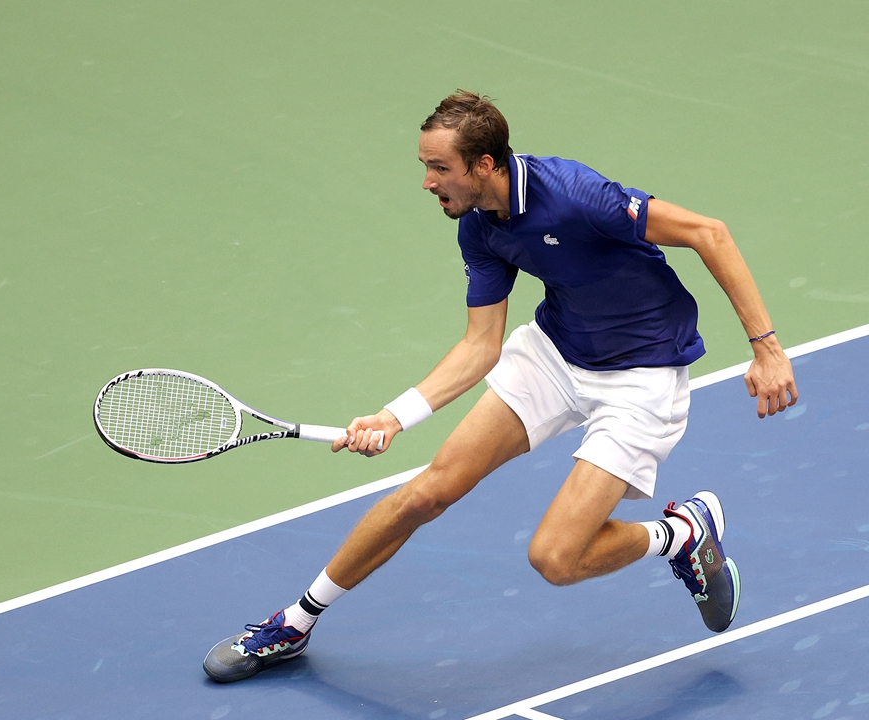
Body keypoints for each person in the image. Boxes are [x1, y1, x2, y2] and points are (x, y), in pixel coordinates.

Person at [203, 90, 798, 683]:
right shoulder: (478, 228)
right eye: (425, 167)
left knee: (556, 558)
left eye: (440, 168)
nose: (428, 182)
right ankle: (296, 622)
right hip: (556, 355)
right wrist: (393, 416)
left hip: (643, 376)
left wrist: (766, 348)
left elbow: (710, 233)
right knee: (426, 494)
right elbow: (480, 344)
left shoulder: (574, 194)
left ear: (484, 165)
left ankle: (682, 535)